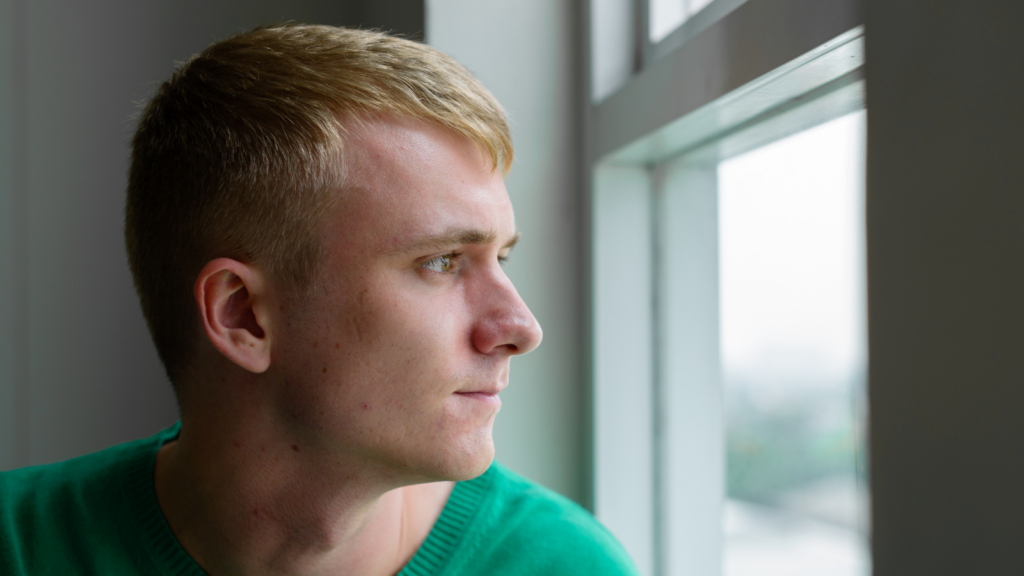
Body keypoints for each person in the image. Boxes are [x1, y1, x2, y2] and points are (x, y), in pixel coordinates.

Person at [0, 24, 638, 575]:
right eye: (442, 262)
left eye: (500, 258)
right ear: (242, 316)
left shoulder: (565, 567)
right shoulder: (17, 549)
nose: (521, 327)